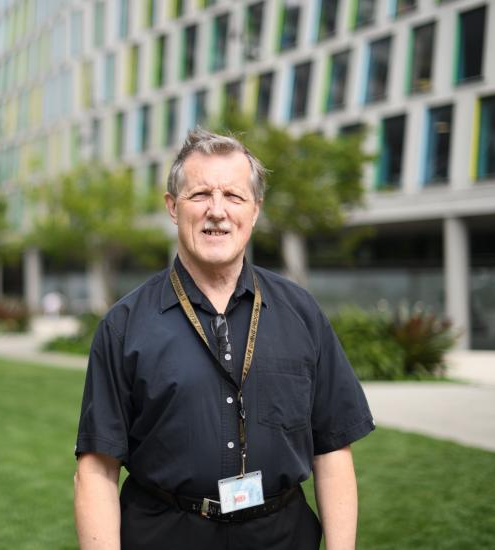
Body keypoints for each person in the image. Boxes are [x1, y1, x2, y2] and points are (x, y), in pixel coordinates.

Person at [73, 129, 375, 549]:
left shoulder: (301, 313)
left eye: (233, 196)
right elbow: (96, 468)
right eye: (199, 195)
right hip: (166, 535)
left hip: (282, 536)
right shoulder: (124, 326)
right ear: (172, 207)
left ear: (255, 211)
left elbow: (332, 449)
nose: (217, 211)